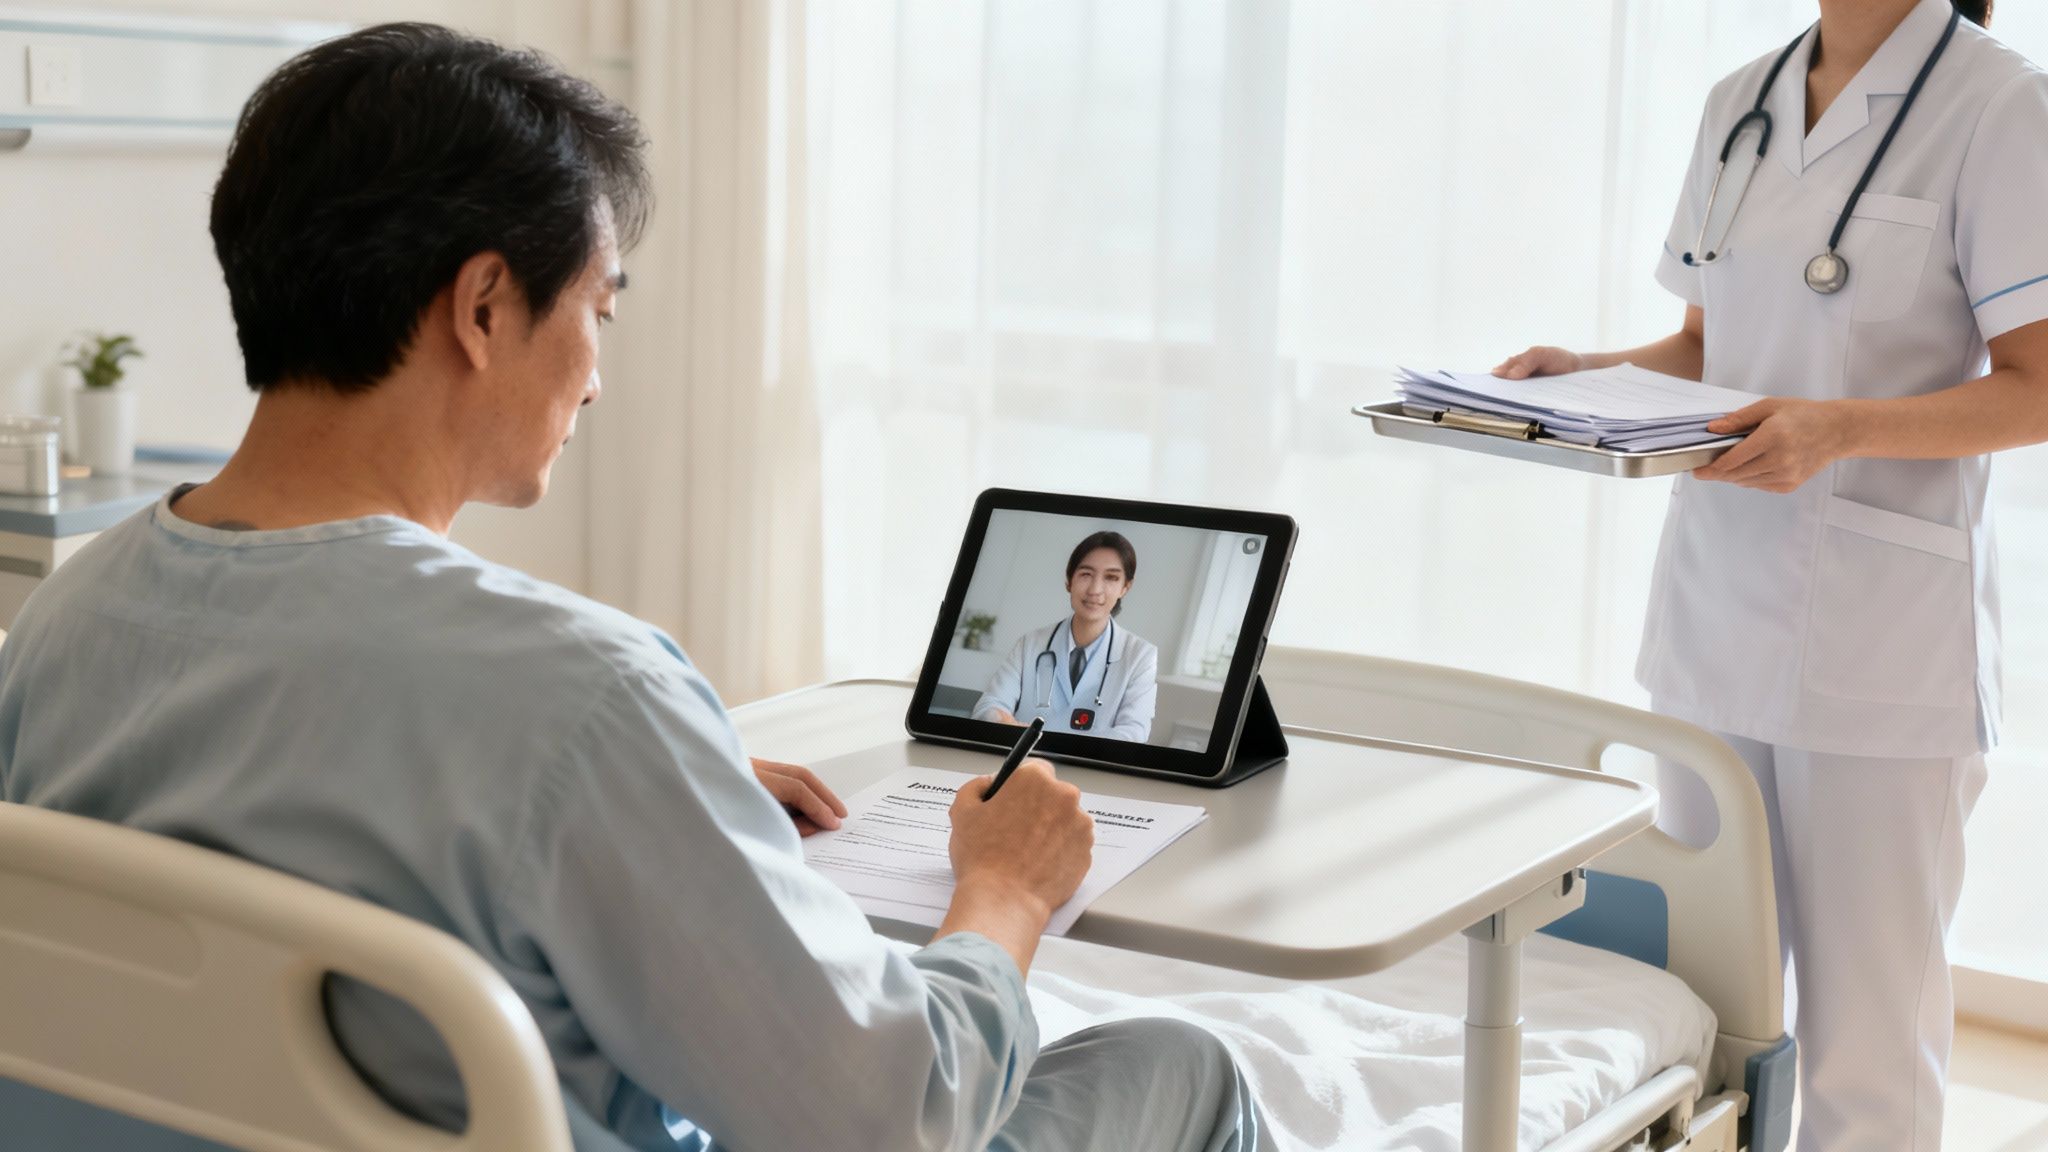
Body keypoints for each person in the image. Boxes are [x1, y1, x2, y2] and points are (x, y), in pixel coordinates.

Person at [0, 25, 1261, 1152]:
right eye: (598, 310)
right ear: (485, 306)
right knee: (1181, 1067)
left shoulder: (60, 622)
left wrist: (658, 782)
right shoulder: (582, 696)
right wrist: (1003, 889)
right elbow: (897, 1119)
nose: (595, 377)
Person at [1494, 1, 2045, 1146]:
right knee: (1703, 1000)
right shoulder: (1737, 102)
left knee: (1865, 1043)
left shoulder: (2000, 105)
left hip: (1879, 648)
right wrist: (1578, 374)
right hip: (1710, 621)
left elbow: (2036, 382)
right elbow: (1707, 346)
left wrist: (1833, 429)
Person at [973, 531, 1160, 741]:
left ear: (1125, 587)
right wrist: (1003, 722)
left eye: (1111, 578)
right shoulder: (1030, 644)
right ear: (1069, 581)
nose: (1095, 590)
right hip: (1024, 764)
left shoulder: (1141, 656)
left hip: (1088, 771)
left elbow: (1134, 733)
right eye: (1086, 574)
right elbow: (989, 706)